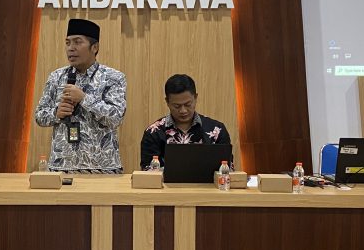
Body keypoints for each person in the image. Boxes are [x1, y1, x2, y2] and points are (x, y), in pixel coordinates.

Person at [34, 18, 126, 173]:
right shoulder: (56, 77)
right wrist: (56, 113)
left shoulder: (113, 77)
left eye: (77, 42)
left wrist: (84, 99)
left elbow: (116, 118)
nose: (71, 48)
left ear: (95, 47)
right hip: (62, 167)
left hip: (103, 169)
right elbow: (39, 116)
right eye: (68, 43)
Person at [139, 74, 232, 170]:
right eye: (177, 106)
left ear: (195, 98)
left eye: (188, 104)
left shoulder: (217, 130)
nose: (183, 111)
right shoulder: (154, 132)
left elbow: (227, 169)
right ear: (167, 102)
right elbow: (147, 171)